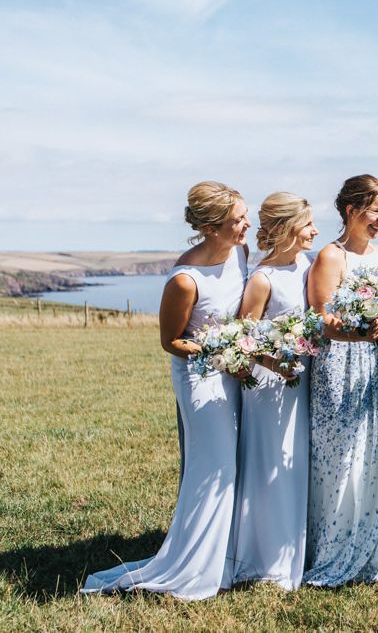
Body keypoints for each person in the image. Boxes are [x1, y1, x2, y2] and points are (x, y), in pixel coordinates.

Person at [82, 181, 250, 600]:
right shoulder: (185, 279)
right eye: (238, 220)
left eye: (245, 216)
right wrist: (219, 351)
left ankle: (229, 554)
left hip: (237, 374)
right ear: (211, 227)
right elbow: (171, 340)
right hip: (202, 379)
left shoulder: (242, 255)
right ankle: (192, 564)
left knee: (238, 466)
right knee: (214, 470)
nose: (247, 225)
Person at [304, 174, 378, 587]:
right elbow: (321, 320)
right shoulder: (331, 256)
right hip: (341, 367)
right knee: (343, 455)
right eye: (375, 211)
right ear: (351, 210)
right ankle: (337, 546)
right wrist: (358, 331)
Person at [232, 192, 318, 591]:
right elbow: (241, 341)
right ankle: (264, 557)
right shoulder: (261, 278)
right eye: (307, 225)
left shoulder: (306, 264)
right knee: (269, 465)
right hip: (269, 386)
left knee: (293, 462)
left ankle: (295, 548)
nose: (315, 231)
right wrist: (273, 363)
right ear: (286, 229)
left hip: (300, 382)